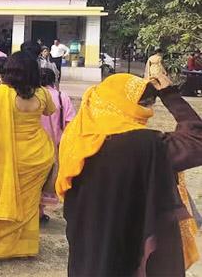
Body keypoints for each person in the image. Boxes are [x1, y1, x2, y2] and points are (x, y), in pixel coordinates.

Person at [57, 73, 202, 276]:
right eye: (146, 104)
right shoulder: (147, 145)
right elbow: (197, 140)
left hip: (89, 244)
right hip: (134, 245)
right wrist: (170, 95)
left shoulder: (77, 137)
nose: (148, 111)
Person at [0, 52, 56, 265]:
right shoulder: (42, 94)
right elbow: (49, 112)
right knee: (28, 205)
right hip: (37, 156)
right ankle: (24, 248)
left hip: (4, 158)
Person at [38, 68, 76, 222]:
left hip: (34, 143)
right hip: (55, 143)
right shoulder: (61, 97)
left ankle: (35, 210)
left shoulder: (32, 96)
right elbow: (69, 122)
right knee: (49, 179)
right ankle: (40, 210)